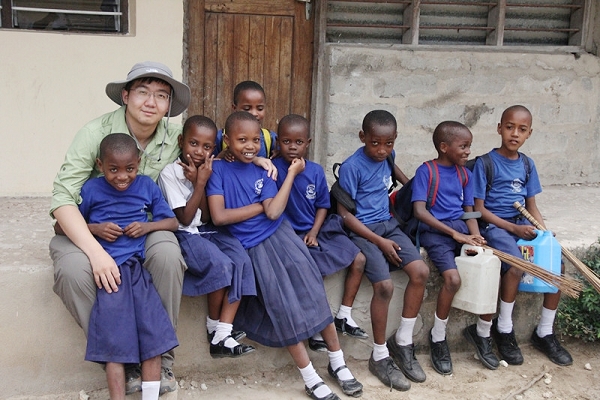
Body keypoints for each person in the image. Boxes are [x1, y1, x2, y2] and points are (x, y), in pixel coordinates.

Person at [49, 61, 190, 395]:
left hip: (139, 227)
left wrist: (260, 158)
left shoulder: (174, 137)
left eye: (161, 95)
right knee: (73, 270)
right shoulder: (94, 134)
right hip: (90, 226)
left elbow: (220, 149)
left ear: (169, 105)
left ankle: (160, 357)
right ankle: (120, 358)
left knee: (168, 255)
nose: (151, 102)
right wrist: (95, 252)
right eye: (142, 92)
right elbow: (63, 200)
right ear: (125, 96)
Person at [206, 111, 363, 400]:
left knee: (314, 293)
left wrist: (289, 174)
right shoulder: (218, 170)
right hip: (254, 246)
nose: (250, 146)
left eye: (255, 140)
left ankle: (338, 362)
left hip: (283, 236)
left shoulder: (265, 170)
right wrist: (259, 206)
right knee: (284, 307)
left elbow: (275, 211)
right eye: (241, 140)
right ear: (226, 140)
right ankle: (310, 377)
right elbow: (219, 216)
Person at [54, 133, 180, 400]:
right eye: (113, 170)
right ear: (100, 165)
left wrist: (147, 226)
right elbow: (59, 226)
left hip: (137, 270)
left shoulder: (146, 186)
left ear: (139, 163)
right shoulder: (91, 189)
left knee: (153, 335)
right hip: (108, 273)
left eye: (129, 169)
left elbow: (172, 222)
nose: (122, 176)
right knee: (114, 343)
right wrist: (94, 229)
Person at [471, 105, 573, 367]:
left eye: (522, 129)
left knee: (557, 265)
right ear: (499, 128)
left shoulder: (527, 164)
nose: (514, 133)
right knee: (516, 265)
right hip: (495, 226)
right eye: (509, 127)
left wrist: (544, 233)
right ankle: (504, 329)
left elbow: (532, 205)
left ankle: (545, 332)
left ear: (529, 133)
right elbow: (480, 210)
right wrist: (513, 229)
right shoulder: (485, 163)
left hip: (522, 223)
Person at [337, 110, 430, 391]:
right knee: (385, 287)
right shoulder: (352, 167)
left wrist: (416, 191)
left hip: (388, 225)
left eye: (388, 143)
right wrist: (380, 242)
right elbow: (345, 215)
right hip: (363, 231)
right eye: (375, 143)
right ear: (362, 137)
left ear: (395, 139)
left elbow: (399, 177)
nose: (381, 150)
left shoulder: (388, 156)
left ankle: (403, 342)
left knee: (420, 271)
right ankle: (379, 355)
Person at [157, 115, 256, 358]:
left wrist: (202, 179)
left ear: (214, 148)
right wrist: (199, 184)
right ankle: (214, 330)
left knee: (242, 261)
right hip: (185, 234)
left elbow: (209, 216)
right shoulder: (169, 173)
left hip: (207, 230)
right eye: (194, 143)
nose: (199, 151)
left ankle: (223, 331)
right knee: (221, 265)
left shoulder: (210, 169)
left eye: (207, 146)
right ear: (181, 141)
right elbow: (186, 218)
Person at [271, 114, 368, 353]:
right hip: (287, 233)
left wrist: (314, 232)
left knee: (358, 258)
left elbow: (323, 205)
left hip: (316, 228)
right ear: (277, 142)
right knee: (310, 269)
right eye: (286, 141)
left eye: (298, 142)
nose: (292, 147)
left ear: (308, 143)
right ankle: (315, 330)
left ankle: (344, 314)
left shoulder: (314, 171)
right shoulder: (273, 170)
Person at [411, 121, 495, 375]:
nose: (468, 151)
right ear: (444, 147)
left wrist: (475, 236)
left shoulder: (465, 174)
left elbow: (469, 211)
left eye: (469, 146)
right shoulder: (426, 171)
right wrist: (455, 234)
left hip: (460, 231)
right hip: (435, 234)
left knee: (491, 269)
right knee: (453, 279)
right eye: (463, 146)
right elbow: (420, 211)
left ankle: (483, 333)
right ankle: (438, 337)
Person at [213, 80, 278, 159]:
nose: (254, 113)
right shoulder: (219, 138)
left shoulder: (270, 139)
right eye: (247, 108)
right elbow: (208, 162)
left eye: (260, 108)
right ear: (234, 108)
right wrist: (220, 156)